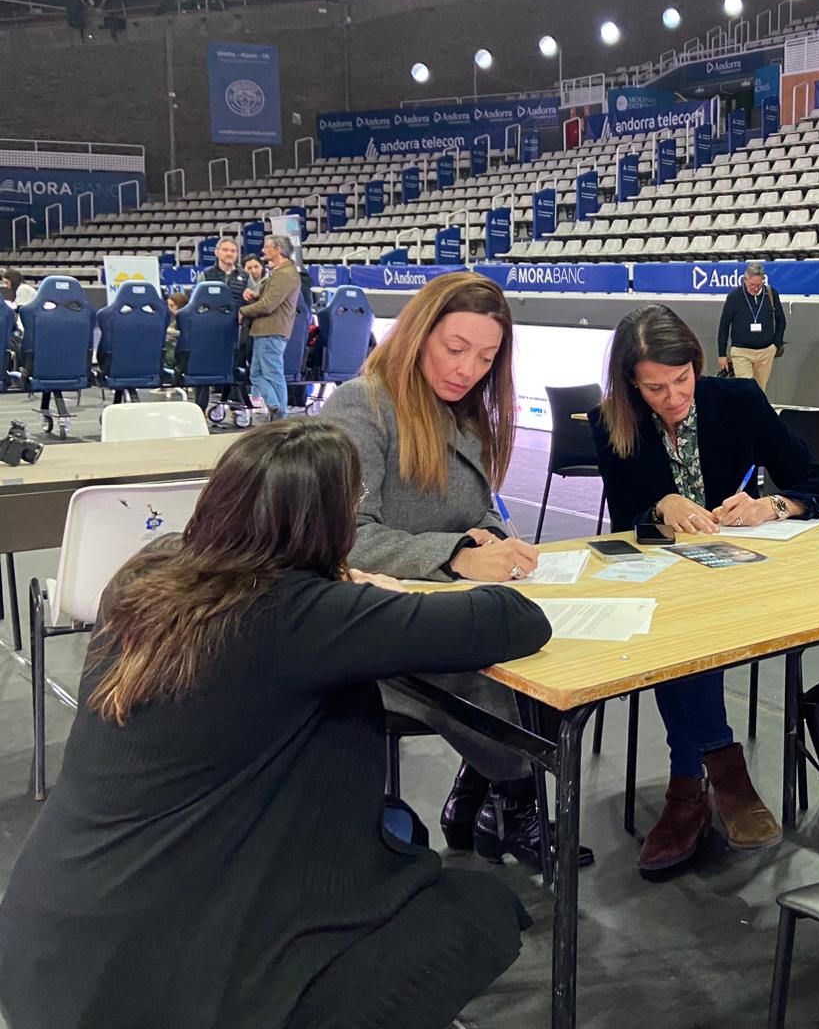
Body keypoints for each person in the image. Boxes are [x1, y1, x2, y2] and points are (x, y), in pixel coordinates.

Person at [0, 419, 550, 1029]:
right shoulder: (299, 614)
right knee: (481, 908)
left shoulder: (144, 580)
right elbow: (515, 620)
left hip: (48, 948)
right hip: (156, 991)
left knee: (399, 842)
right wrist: (377, 589)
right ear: (331, 524)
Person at [321, 271, 591, 869]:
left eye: (486, 357)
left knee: (542, 650)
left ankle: (479, 800)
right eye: (455, 349)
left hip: (434, 607)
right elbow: (346, 539)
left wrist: (489, 540)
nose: (468, 368)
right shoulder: (360, 407)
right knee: (477, 670)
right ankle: (517, 802)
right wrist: (457, 556)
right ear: (418, 334)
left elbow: (474, 516)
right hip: (371, 624)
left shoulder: (461, 416)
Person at [590, 303, 819, 875]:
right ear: (630, 382)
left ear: (697, 366)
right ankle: (718, 769)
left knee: (687, 634)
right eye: (655, 388)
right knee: (676, 630)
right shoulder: (611, 421)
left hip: (734, 577)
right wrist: (662, 502)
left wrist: (770, 504)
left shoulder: (738, 400)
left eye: (682, 380)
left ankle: (689, 793)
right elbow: (626, 518)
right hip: (653, 581)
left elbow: (816, 481)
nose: (673, 397)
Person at [239, 234, 300, 421]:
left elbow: (269, 305)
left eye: (267, 247)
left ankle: (280, 416)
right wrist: (255, 297)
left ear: (278, 250)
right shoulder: (278, 272)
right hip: (264, 331)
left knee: (273, 375)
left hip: (272, 331)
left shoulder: (284, 274)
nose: (263, 251)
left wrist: (244, 310)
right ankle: (274, 405)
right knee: (256, 374)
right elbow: (268, 300)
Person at [716, 261, 785, 390]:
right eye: (752, 285)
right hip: (741, 352)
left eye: (759, 285)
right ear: (745, 280)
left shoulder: (770, 294)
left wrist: (775, 345)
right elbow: (724, 325)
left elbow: (781, 320)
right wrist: (722, 354)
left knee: (760, 391)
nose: (756, 288)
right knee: (745, 390)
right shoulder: (734, 297)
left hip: (765, 352)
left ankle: (756, 411)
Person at [201, 238, 249, 303]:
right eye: (225, 250)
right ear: (216, 252)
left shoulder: (246, 276)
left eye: (233, 251)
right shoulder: (205, 275)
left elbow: (254, 299)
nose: (229, 254)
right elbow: (197, 301)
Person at [163, 289, 188, 374]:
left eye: (172, 306)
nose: (169, 309)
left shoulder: (182, 321)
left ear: (180, 305)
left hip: (174, 359)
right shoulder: (172, 319)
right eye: (168, 306)